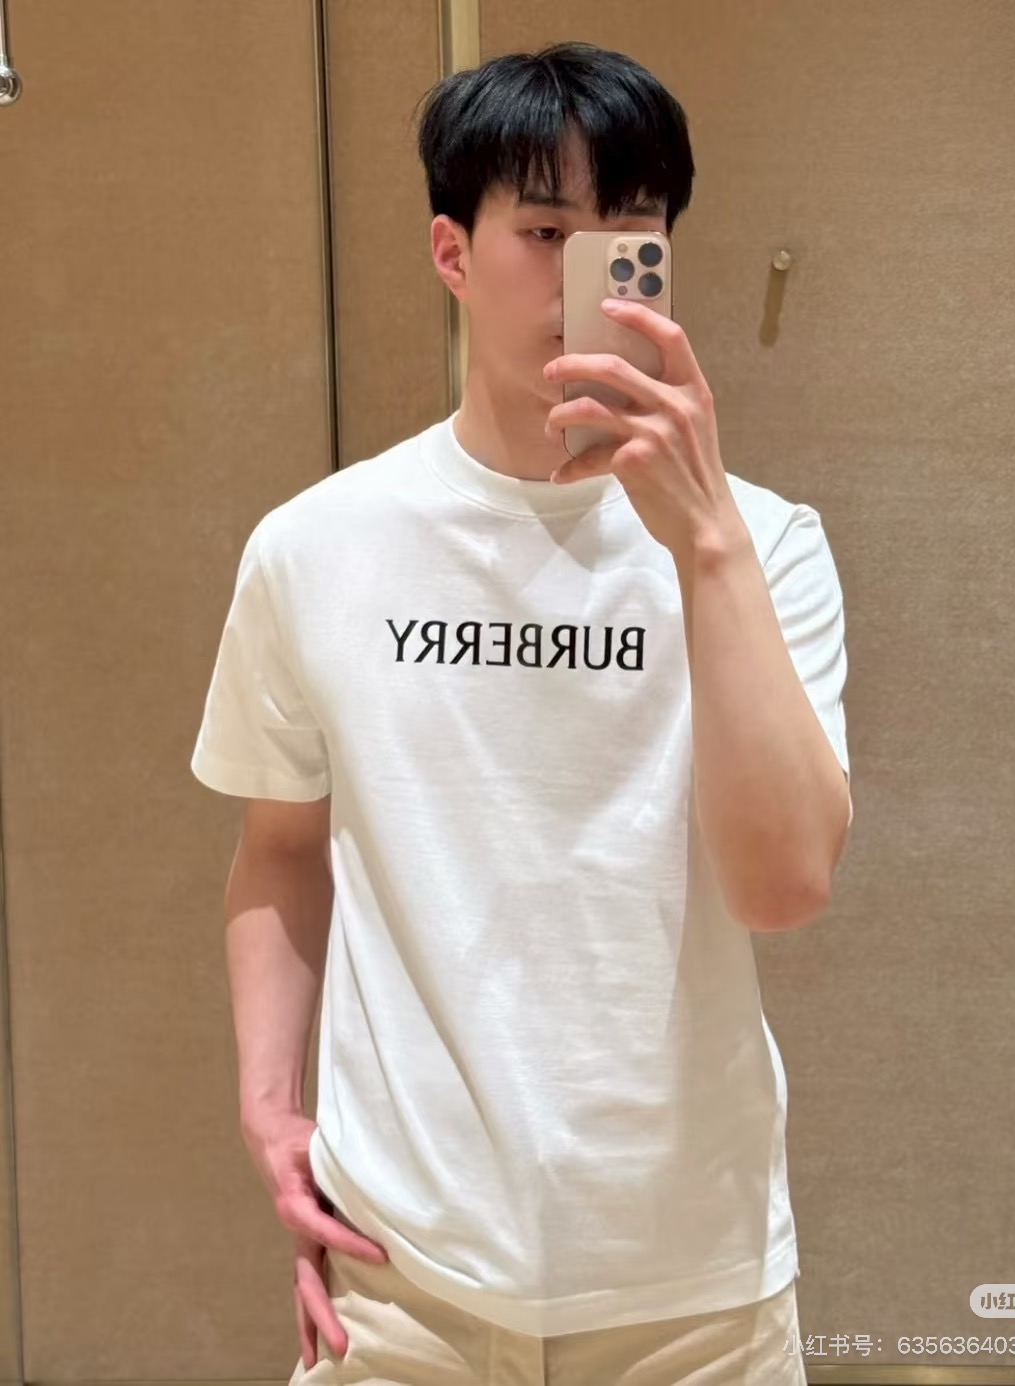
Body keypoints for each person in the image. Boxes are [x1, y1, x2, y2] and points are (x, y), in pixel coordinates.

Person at [191, 39, 852, 1386]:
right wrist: (269, 1106)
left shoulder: (766, 547)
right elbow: (281, 844)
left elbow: (783, 884)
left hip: (693, 1300)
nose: (584, 277)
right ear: (452, 251)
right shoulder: (316, 547)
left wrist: (703, 541)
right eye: (545, 233)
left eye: (627, 236)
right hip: (398, 1288)